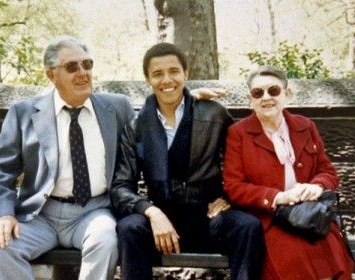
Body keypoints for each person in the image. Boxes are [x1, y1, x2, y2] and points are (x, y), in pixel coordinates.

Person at [0, 35, 135, 280]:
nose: (83, 73)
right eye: (72, 67)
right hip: (41, 214)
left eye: (87, 64)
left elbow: (152, 128)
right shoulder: (25, 113)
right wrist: (4, 215)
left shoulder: (117, 108)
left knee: (106, 240)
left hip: (94, 212)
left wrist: (186, 102)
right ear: (51, 75)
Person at [111, 42, 265, 280]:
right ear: (147, 80)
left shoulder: (213, 113)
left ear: (186, 73)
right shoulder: (137, 127)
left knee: (248, 227)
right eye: (158, 74)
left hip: (209, 217)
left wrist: (228, 197)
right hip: (164, 222)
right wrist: (151, 212)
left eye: (174, 71)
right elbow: (121, 186)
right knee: (129, 228)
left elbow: (244, 162)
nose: (167, 80)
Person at [223, 65, 354, 280]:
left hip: (312, 217)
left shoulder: (305, 126)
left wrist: (316, 185)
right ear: (251, 99)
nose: (266, 98)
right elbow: (234, 187)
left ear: (287, 93)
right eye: (258, 93)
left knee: (334, 257)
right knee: (293, 261)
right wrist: (278, 197)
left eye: (273, 91)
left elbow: (327, 170)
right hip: (272, 220)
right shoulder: (238, 133)